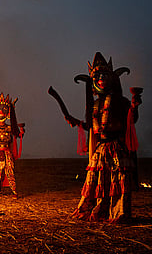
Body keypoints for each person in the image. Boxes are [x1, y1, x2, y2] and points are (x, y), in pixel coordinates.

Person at [55, 52, 142, 223]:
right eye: (97, 75)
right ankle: (98, 209)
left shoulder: (120, 101)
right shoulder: (94, 104)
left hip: (117, 148)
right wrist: (76, 122)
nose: (101, 78)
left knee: (118, 181)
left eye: (105, 74)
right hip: (100, 149)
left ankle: (119, 213)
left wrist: (134, 106)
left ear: (112, 79)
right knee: (97, 181)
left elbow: (132, 120)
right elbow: (91, 126)